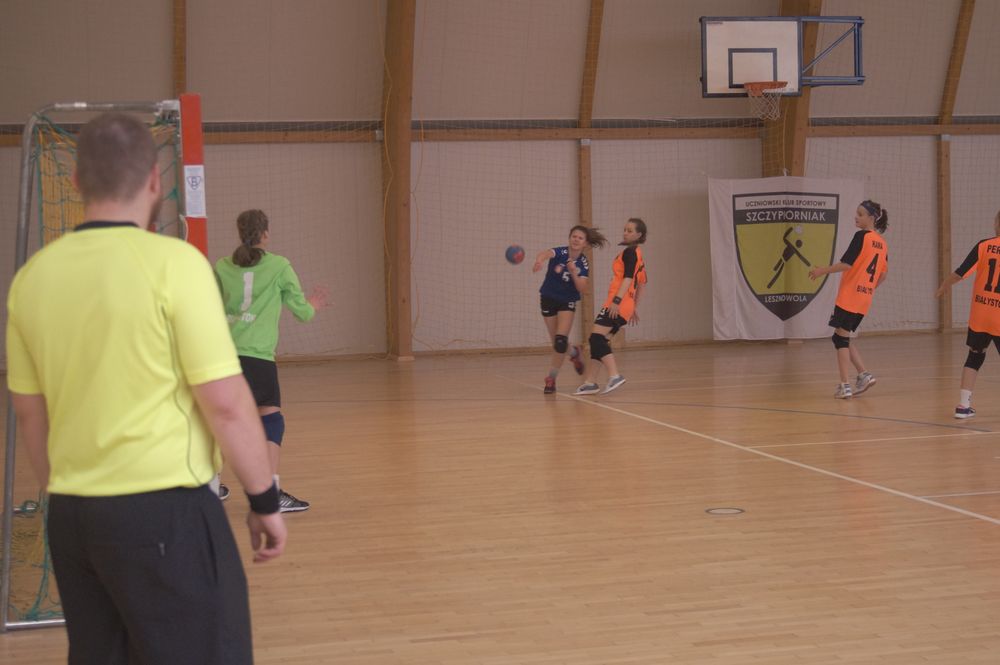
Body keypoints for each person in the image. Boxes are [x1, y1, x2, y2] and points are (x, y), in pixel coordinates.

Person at [6, 112, 285, 664]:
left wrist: (72, 496)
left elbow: (32, 418)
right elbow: (227, 404)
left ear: (77, 181)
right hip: (164, 515)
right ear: (156, 181)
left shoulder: (32, 278)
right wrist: (263, 500)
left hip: (73, 518)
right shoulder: (176, 264)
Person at [215, 209, 326, 512]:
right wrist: (313, 304)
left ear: (240, 233)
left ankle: (211, 486)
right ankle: (269, 494)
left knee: (222, 421)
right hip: (258, 360)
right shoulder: (279, 266)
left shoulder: (222, 266)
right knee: (270, 420)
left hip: (224, 358)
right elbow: (303, 313)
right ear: (265, 234)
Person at [808, 200, 889, 399]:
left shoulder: (862, 236)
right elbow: (883, 275)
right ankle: (864, 374)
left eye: (860, 214)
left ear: (871, 218)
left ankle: (845, 385)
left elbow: (847, 264)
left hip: (850, 296)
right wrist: (868, 288)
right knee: (840, 337)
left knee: (841, 339)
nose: (856, 217)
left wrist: (821, 271)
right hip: (864, 298)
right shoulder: (882, 243)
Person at [935, 209, 1000, 419]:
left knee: (974, 356)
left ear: (996, 224)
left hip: (980, 315)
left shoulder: (983, 245)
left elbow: (960, 272)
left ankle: (963, 406)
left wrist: (944, 285)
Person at [574, 218, 648, 395]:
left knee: (596, 339)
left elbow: (628, 279)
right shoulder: (638, 254)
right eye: (625, 229)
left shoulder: (630, 252)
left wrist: (617, 301)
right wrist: (633, 307)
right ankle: (590, 382)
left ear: (639, 235)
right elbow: (642, 283)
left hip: (617, 304)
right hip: (625, 305)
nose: (625, 233)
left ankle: (614, 375)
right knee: (600, 342)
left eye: (630, 231)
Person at [532, 225, 608, 394]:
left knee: (560, 342)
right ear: (569, 238)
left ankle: (551, 378)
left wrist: (573, 272)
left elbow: (582, 288)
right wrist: (539, 261)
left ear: (585, 243)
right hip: (548, 298)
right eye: (574, 236)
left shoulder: (583, 263)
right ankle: (574, 352)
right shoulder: (561, 252)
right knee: (557, 343)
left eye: (580, 238)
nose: (576, 239)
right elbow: (545, 253)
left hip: (567, 301)